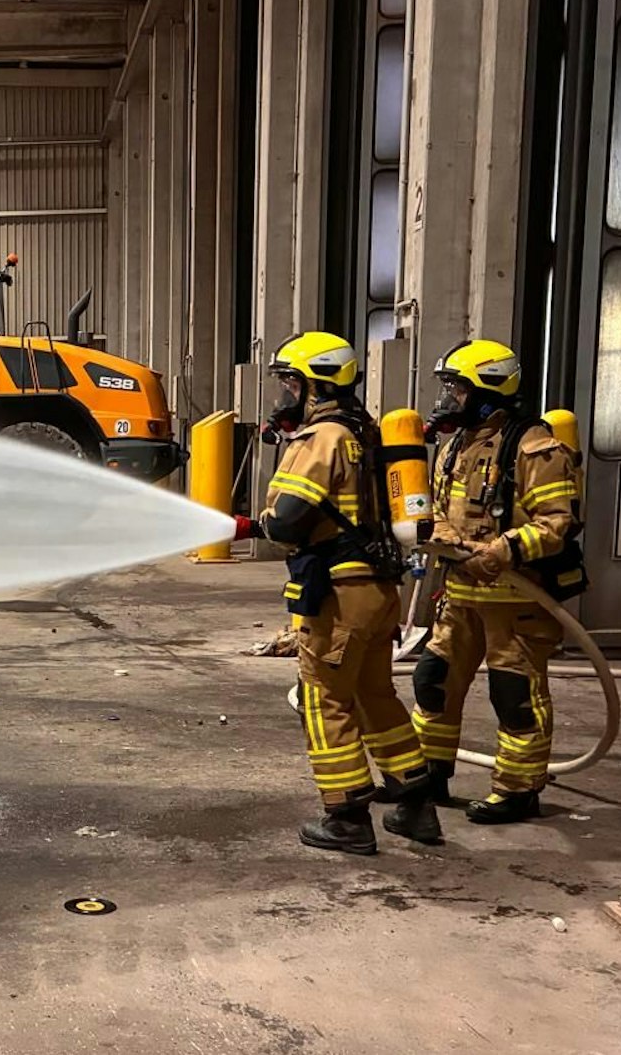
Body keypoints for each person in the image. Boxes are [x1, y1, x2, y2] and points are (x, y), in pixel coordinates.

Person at [233, 332, 439, 855]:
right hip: (377, 591)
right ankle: (416, 805)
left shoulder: (320, 438)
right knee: (376, 696)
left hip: (340, 595)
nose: (284, 394)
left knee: (324, 700)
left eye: (289, 383)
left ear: (315, 385)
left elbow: (288, 519)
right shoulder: (363, 432)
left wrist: (262, 521)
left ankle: (347, 817)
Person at [410, 339, 587, 825]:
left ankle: (518, 789)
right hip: (462, 596)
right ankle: (431, 772)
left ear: (487, 392)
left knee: (515, 694)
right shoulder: (454, 447)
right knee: (434, 681)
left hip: (516, 600)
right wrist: (447, 540)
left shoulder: (535, 449)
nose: (448, 399)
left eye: (457, 389)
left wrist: (502, 550)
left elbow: (557, 523)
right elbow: (439, 510)